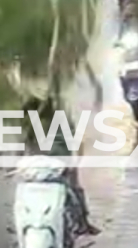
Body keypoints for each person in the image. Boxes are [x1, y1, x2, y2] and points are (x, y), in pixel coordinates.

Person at [21, 96, 100, 235]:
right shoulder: (57, 119)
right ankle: (82, 223)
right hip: (56, 163)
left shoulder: (37, 123)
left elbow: (25, 145)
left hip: (47, 164)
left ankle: (81, 223)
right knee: (73, 190)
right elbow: (77, 141)